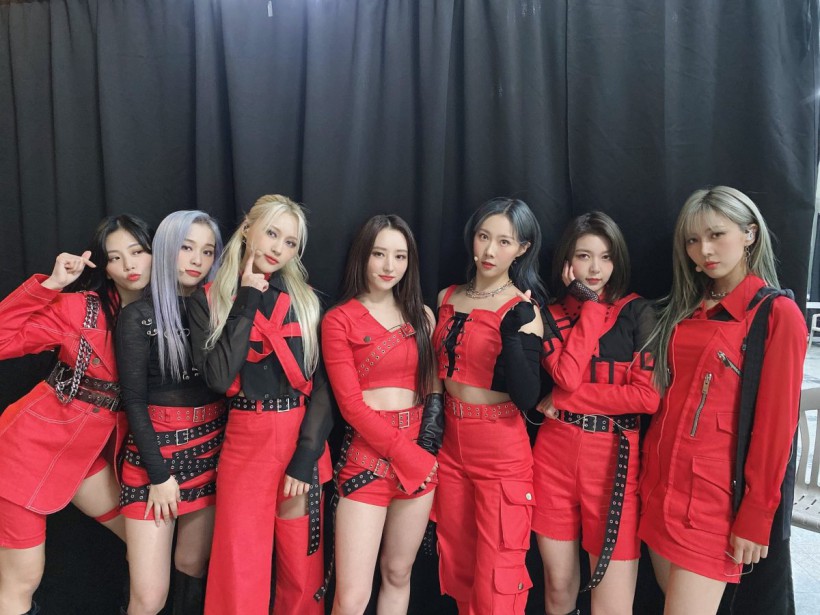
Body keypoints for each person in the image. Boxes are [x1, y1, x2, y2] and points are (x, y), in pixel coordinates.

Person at [638, 186, 807, 615]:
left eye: (717, 235)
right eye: (693, 240)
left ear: (749, 234)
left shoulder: (776, 314)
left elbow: (776, 428)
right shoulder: (686, 309)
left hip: (712, 505)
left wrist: (757, 513)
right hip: (658, 487)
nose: (705, 251)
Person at [0, 215, 153, 615]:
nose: (129, 265)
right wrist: (51, 285)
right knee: (22, 580)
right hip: (24, 452)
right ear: (105, 267)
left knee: (146, 544)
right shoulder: (81, 309)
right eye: (116, 257)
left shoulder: (170, 315)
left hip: (82, 457)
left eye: (138, 251)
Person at [188, 194, 332, 615]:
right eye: (271, 233)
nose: (278, 248)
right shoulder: (207, 299)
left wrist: (306, 456)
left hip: (299, 437)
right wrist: (248, 296)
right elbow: (218, 378)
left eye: (290, 242)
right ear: (248, 228)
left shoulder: (307, 301)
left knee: (301, 570)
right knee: (239, 565)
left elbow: (325, 386)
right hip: (246, 440)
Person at [532, 212, 660, 615]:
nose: (595, 268)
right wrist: (589, 306)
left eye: (605, 257)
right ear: (567, 262)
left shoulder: (638, 312)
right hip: (553, 457)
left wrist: (565, 400)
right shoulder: (547, 314)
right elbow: (567, 376)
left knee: (611, 604)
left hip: (613, 459)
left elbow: (646, 398)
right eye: (584, 256)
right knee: (558, 591)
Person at [321, 215, 443, 614]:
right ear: (363, 255)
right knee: (352, 597)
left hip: (419, 457)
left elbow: (432, 386)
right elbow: (351, 407)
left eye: (400, 256)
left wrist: (425, 448)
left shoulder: (422, 315)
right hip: (367, 460)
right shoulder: (339, 319)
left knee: (398, 573)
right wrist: (408, 455)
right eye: (379, 254)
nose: (390, 266)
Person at [432, 197, 546, 614]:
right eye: (483, 237)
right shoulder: (447, 296)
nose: (490, 250)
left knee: (499, 573)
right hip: (450, 443)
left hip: (500, 448)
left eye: (504, 241)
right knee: (459, 563)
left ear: (522, 249)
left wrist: (512, 332)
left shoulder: (524, 309)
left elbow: (527, 397)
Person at [116, 211, 224, 615]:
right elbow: (133, 401)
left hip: (210, 452)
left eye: (207, 251)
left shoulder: (218, 311)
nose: (197, 259)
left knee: (193, 565)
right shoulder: (138, 316)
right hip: (154, 461)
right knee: (148, 597)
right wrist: (159, 476)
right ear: (165, 249)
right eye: (186, 247)